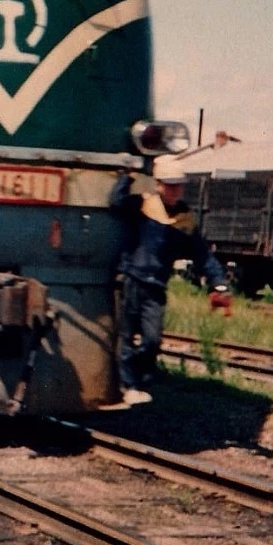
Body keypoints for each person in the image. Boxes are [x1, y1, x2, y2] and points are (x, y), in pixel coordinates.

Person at [110, 157, 230, 405]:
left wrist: (218, 282)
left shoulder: (184, 219)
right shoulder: (143, 206)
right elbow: (116, 203)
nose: (176, 190)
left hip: (156, 287)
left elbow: (202, 255)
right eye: (171, 185)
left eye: (180, 185)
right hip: (132, 279)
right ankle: (129, 385)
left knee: (152, 340)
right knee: (126, 335)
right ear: (159, 185)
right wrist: (128, 176)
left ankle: (139, 382)